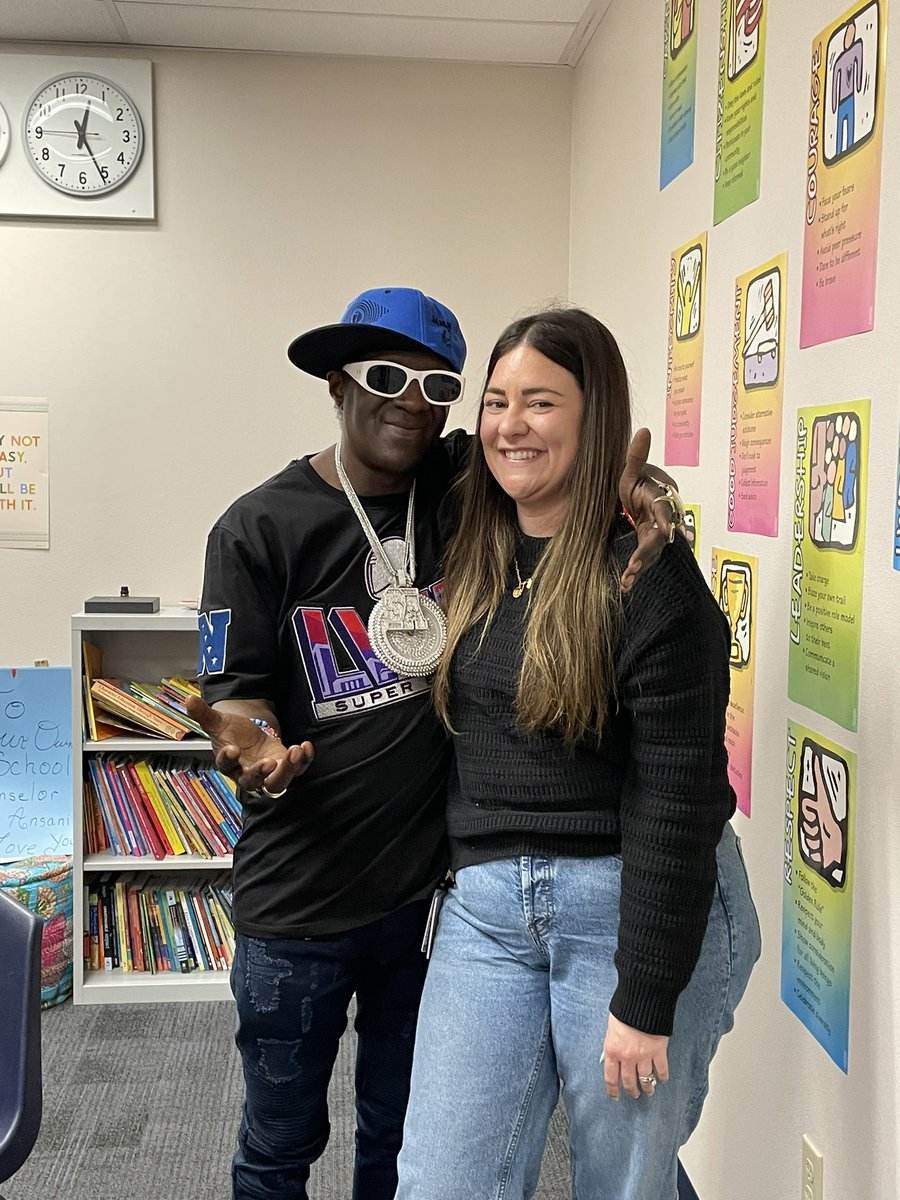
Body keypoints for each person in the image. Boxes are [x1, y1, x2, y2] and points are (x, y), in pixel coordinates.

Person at [185, 288, 681, 1200]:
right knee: (277, 1143)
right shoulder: (258, 528)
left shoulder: (466, 491)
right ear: (336, 383)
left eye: (437, 383)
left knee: (406, 1139)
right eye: (384, 377)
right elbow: (237, 693)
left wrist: (637, 490)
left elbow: (561, 456)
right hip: (299, 900)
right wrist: (255, 752)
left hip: (429, 901)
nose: (411, 400)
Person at [394, 307, 761, 1199]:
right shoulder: (471, 536)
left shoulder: (650, 577)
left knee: (619, 1186)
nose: (510, 425)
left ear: (597, 419)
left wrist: (644, 998)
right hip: (486, 912)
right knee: (441, 1181)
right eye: (495, 401)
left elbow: (678, 800)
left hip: (632, 905)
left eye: (542, 402)